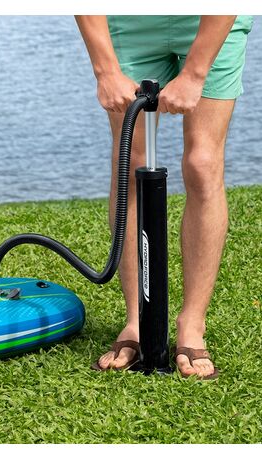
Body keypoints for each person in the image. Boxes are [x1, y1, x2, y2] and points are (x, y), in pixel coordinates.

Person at [75, 15, 253, 379]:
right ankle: (137, 321)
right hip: (131, 20)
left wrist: (195, 74)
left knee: (203, 164)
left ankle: (192, 324)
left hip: (209, 20)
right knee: (130, 163)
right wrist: (105, 70)